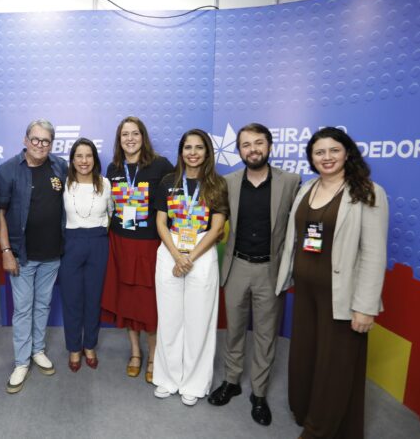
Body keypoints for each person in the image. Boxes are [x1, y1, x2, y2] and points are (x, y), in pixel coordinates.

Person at [276, 127, 389, 438]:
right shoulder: (306, 189)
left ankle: (320, 429)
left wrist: (365, 307)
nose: (327, 157)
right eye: (319, 152)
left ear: (347, 153)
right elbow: (295, 239)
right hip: (306, 292)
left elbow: (374, 254)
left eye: (334, 150)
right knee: (307, 355)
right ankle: (306, 410)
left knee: (336, 364)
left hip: (342, 294)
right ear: (312, 158)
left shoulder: (367, 191)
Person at [207, 123, 300, 426]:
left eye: (258, 143)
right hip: (237, 267)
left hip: (270, 271)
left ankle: (259, 393)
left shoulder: (291, 182)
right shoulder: (228, 182)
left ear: (269, 146)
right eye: (246, 145)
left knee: (265, 335)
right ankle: (232, 382)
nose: (253, 149)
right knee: (233, 330)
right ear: (239, 151)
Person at [151, 128, 228, 406]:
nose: (193, 153)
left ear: (207, 152)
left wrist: (190, 257)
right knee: (170, 318)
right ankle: (167, 377)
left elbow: (217, 227)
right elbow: (161, 222)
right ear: (181, 151)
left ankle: (194, 382)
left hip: (202, 253)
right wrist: (176, 254)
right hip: (171, 250)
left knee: (198, 321)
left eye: (199, 148)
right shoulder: (168, 181)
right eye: (187, 148)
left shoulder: (217, 184)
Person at [0, 119, 68, 393]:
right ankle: (21, 362)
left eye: (45, 141)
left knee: (42, 306)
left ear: (52, 144)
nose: (40, 145)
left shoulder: (60, 167)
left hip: (53, 254)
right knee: (23, 309)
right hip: (21, 255)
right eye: (35, 140)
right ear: (25, 140)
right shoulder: (7, 171)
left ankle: (38, 350)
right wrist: (5, 251)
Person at [100, 116, 174, 383]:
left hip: (150, 244)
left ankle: (154, 356)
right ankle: (135, 353)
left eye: (135, 134)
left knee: (149, 304)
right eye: (124, 135)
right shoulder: (113, 168)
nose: (129, 139)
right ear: (119, 140)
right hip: (120, 243)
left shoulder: (161, 165)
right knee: (127, 300)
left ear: (143, 137)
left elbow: (174, 204)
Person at [58, 138, 112, 372]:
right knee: (72, 300)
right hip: (71, 243)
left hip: (98, 242)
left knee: (93, 298)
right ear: (72, 160)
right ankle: (73, 347)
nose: (84, 161)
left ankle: (89, 345)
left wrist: (99, 234)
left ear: (95, 159)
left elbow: (112, 213)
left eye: (88, 156)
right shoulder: (64, 183)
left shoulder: (105, 183)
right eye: (78, 156)